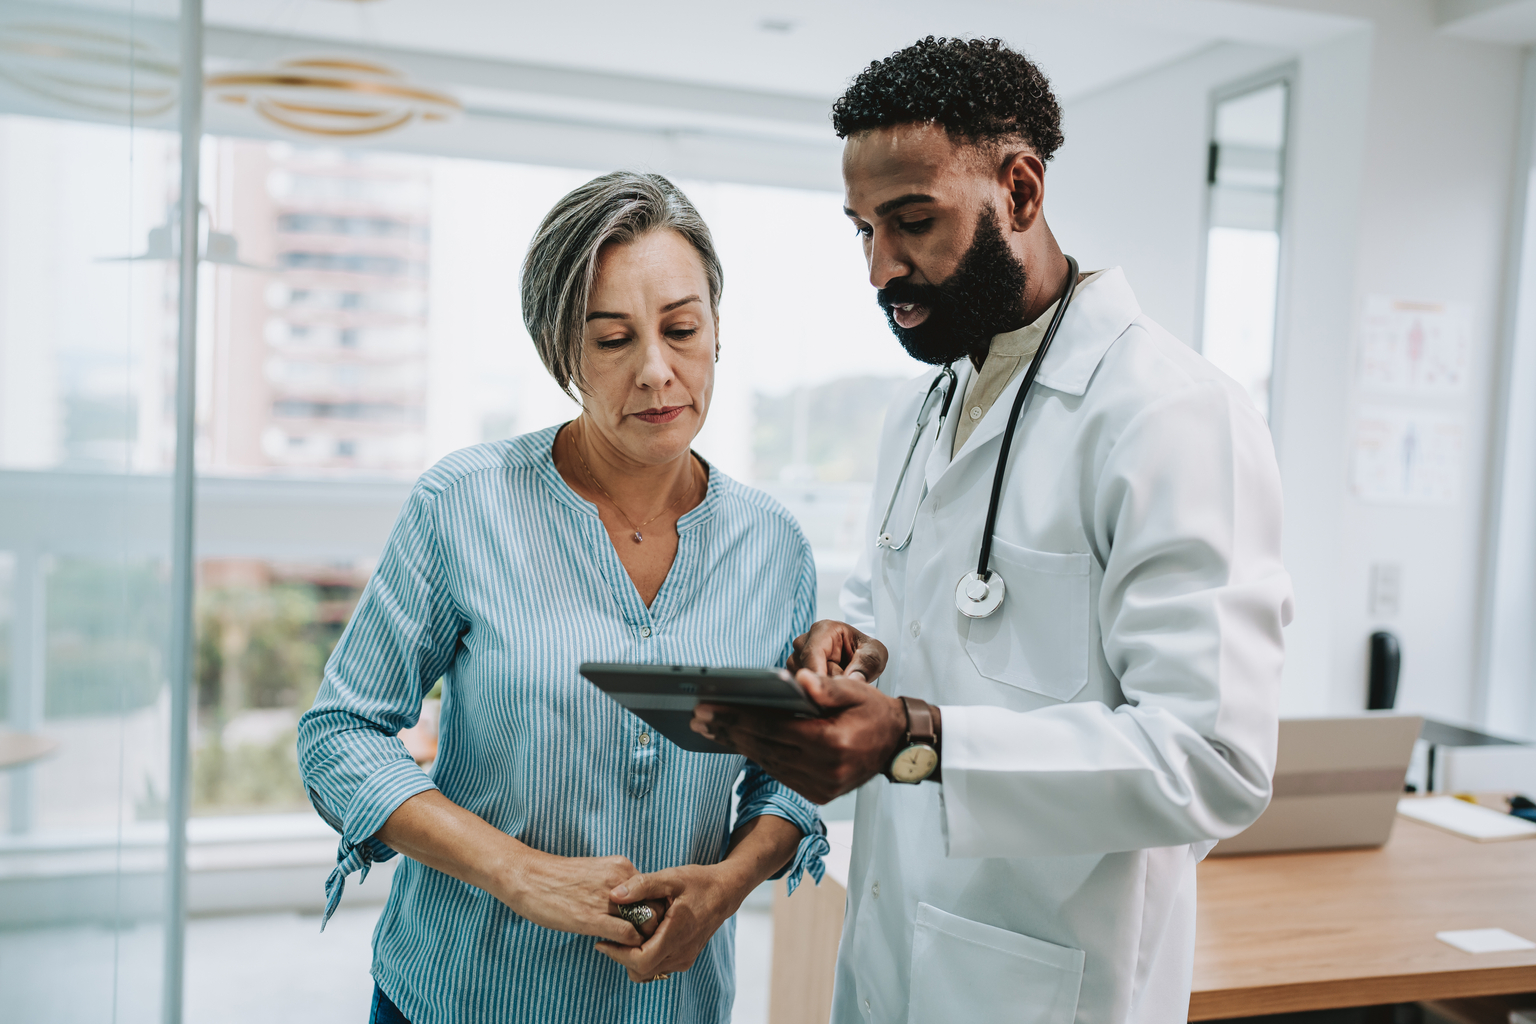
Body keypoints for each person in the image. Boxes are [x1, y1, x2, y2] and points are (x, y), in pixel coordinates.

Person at [688, 37, 1293, 1024]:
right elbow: (905, 618)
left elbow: (1212, 759)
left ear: (1019, 191)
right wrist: (852, 651)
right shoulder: (922, 409)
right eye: (863, 231)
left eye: (913, 221)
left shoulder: (1171, 414)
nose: (882, 266)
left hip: (1056, 978)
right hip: (892, 947)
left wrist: (919, 740)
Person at [298, 171, 827, 1024]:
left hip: (673, 1007)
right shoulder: (465, 506)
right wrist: (518, 871)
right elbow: (340, 736)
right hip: (460, 996)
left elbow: (791, 774)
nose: (659, 371)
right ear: (561, 353)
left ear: (718, 332)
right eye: (613, 340)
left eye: (682, 329)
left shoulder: (774, 547)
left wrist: (727, 887)